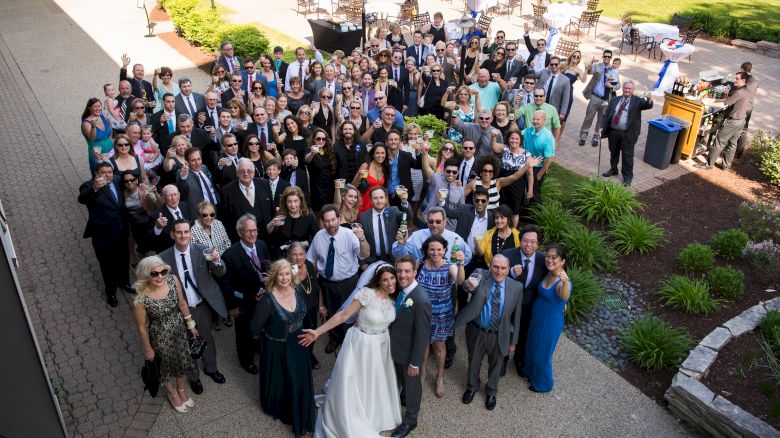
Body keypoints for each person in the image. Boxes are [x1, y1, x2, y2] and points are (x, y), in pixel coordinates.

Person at [299, 264, 403, 437]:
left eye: (392, 278)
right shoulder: (366, 294)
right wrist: (317, 332)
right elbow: (343, 315)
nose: (390, 282)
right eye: (385, 279)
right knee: (357, 379)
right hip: (361, 344)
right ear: (378, 281)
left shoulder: (396, 299)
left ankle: (374, 412)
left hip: (382, 345)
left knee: (376, 380)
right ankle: (352, 413)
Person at [159, 220, 228, 394]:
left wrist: (217, 261)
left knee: (206, 339)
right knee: (186, 344)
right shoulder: (163, 258)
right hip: (179, 309)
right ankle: (194, 377)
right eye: (179, 232)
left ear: (190, 233)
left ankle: (211, 368)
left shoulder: (202, 249)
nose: (183, 236)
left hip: (200, 305)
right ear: (172, 235)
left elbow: (220, 272)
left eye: (186, 232)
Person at [251, 259, 315, 437]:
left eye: (287, 273)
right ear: (274, 276)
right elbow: (255, 328)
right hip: (278, 347)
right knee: (284, 379)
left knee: (298, 378)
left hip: (300, 343)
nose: (285, 277)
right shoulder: (267, 300)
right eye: (281, 274)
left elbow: (305, 314)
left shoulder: (297, 290)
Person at [455, 254, 523, 410]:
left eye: (503, 268)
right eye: (495, 267)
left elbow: (517, 317)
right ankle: (472, 387)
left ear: (508, 269)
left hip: (500, 334)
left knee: (497, 365)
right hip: (477, 331)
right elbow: (468, 286)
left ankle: (491, 391)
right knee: (474, 361)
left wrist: (514, 342)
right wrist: (468, 285)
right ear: (490, 266)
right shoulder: (480, 274)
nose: (499, 271)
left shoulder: (516, 287)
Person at [131, 256, 197, 413]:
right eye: (154, 274)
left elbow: (182, 303)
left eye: (163, 272)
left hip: (179, 330)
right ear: (146, 274)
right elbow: (141, 327)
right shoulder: (140, 298)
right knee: (165, 367)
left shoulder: (173, 280)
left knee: (182, 360)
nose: (160, 276)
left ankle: (181, 390)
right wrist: (148, 349)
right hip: (160, 336)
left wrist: (191, 325)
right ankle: (172, 393)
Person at [307, 205, 370, 352]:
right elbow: (311, 260)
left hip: (349, 283)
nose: (331, 224)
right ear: (322, 221)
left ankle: (352, 341)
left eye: (333, 220)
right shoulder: (318, 237)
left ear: (339, 218)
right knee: (331, 313)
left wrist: (362, 239)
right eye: (327, 221)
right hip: (327, 284)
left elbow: (365, 254)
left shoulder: (349, 235)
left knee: (352, 313)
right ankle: (334, 339)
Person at [388, 256, 432, 438]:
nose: (402, 275)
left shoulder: (420, 300)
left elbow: (422, 336)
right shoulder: (402, 292)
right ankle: (405, 396)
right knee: (404, 383)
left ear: (415, 272)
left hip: (409, 355)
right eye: (399, 271)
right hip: (398, 348)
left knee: (412, 386)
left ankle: (411, 419)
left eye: (407, 271)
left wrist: (415, 363)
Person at [417, 235, 465, 398]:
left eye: (439, 249)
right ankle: (422, 372)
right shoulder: (421, 264)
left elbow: (460, 281)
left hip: (442, 315)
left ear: (444, 250)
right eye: (432, 249)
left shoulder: (449, 267)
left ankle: (440, 376)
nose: (435, 252)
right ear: (427, 250)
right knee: (423, 345)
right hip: (423, 314)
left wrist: (460, 264)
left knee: (439, 347)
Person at [222, 214, 270, 374]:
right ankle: (246, 360)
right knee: (243, 333)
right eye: (249, 231)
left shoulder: (262, 245)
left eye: (255, 230)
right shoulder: (229, 255)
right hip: (243, 302)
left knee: (260, 327)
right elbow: (227, 286)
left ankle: (257, 347)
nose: (253, 234)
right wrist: (233, 307)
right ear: (240, 232)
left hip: (263, 298)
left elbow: (267, 269)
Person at [78, 163, 131, 307]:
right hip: (102, 234)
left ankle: (124, 282)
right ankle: (111, 292)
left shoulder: (118, 180)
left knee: (123, 257)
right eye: (103, 172)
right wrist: (95, 188)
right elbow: (82, 199)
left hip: (121, 229)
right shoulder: (89, 186)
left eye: (110, 172)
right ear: (96, 173)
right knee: (107, 264)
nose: (107, 174)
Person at [500, 224, 547, 376]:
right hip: (510, 304)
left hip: (529, 306)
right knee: (506, 331)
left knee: (524, 333)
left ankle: (519, 359)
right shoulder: (507, 254)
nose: (528, 245)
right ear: (520, 241)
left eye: (533, 241)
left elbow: (552, 279)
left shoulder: (543, 260)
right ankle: (503, 359)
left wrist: (564, 299)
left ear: (537, 244)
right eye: (525, 240)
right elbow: (496, 276)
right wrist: (511, 274)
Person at [525, 244, 571, 393]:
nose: (550, 260)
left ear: (562, 261)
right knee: (532, 346)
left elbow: (564, 297)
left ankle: (544, 384)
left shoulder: (563, 282)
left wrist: (565, 283)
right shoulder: (549, 272)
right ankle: (532, 373)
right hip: (538, 315)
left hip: (550, 322)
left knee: (542, 353)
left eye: (554, 258)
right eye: (548, 256)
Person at [599, 80, 654, 186]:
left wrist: (649, 98)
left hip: (628, 133)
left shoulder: (637, 101)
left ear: (633, 90)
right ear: (622, 89)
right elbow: (607, 115)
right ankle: (614, 169)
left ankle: (627, 176)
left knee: (627, 155)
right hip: (613, 132)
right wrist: (602, 127)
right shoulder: (615, 100)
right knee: (613, 152)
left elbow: (648, 105)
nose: (627, 90)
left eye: (629, 88)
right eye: (625, 88)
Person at [696, 71, 751, 171]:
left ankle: (709, 165)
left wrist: (708, 103)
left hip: (732, 122)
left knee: (719, 142)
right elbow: (730, 100)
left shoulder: (739, 92)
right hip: (741, 121)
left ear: (743, 80)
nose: (735, 80)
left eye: (737, 79)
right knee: (732, 143)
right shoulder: (747, 90)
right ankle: (726, 165)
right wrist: (714, 100)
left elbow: (724, 105)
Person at [219, 158, 274, 242]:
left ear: (254, 172)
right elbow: (226, 221)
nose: (246, 174)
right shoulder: (226, 191)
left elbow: (272, 210)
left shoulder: (264, 184)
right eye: (242, 171)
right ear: (237, 173)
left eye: (249, 171)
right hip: (242, 241)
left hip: (267, 239)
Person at [288, 242, 324, 370]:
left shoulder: (308, 265)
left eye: (301, 254)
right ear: (289, 256)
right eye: (294, 255)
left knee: (311, 334)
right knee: (298, 338)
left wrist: (320, 306)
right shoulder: (288, 273)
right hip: (296, 314)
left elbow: (317, 287)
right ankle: (300, 359)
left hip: (312, 310)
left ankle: (309, 355)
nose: (298, 258)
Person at [464, 154, 539, 210]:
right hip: (477, 216)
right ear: (480, 172)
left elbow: (514, 177)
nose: (487, 173)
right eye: (485, 170)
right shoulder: (473, 183)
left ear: (494, 173)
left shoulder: (498, 183)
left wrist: (528, 165)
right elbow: (461, 197)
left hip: (493, 218)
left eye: (490, 171)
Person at [358, 186, 412, 265]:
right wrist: (362, 263)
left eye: (381, 197)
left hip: (393, 259)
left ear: (386, 199)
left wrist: (404, 201)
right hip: (372, 261)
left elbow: (408, 216)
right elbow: (359, 240)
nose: (379, 201)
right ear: (370, 200)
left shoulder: (393, 211)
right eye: (375, 198)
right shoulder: (363, 217)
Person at [492, 129, 535, 224]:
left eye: (517, 139)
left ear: (520, 140)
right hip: (503, 182)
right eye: (512, 138)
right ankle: (500, 225)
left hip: (517, 185)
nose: (514, 141)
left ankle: (514, 231)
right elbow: (494, 146)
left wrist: (530, 190)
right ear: (508, 139)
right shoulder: (505, 148)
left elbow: (530, 174)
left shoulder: (526, 154)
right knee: (500, 206)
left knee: (515, 209)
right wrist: (494, 137)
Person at [268, 186, 318, 257]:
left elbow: (317, 239)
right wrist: (272, 224)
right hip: (282, 254)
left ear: (301, 201)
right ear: (285, 202)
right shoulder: (281, 213)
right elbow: (270, 232)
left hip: (300, 254)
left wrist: (297, 245)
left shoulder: (308, 216)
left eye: (296, 201)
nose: (292, 205)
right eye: (289, 201)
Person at [579, 50, 616, 147]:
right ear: (603, 57)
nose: (607, 58)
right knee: (588, 118)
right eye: (605, 56)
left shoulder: (613, 69)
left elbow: (619, 85)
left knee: (601, 120)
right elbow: (590, 70)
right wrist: (591, 63)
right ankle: (583, 136)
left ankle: (596, 136)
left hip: (606, 99)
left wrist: (611, 86)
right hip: (595, 96)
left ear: (611, 58)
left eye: (609, 57)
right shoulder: (598, 66)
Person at [523, 111, 556, 202]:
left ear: (544, 121)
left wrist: (541, 173)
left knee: (534, 191)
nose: (535, 121)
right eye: (534, 119)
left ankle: (535, 211)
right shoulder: (528, 130)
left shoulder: (548, 137)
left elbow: (548, 159)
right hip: (525, 164)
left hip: (537, 168)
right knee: (523, 187)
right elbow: (517, 134)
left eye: (538, 119)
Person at [149, 184, 192, 253]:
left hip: (191, 249)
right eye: (169, 195)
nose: (173, 198)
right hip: (171, 253)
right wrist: (158, 228)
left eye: (175, 194)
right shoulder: (156, 215)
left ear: (179, 195)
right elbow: (152, 243)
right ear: (163, 198)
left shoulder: (186, 206)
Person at [305, 128, 338, 212]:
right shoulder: (310, 150)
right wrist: (312, 153)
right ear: (314, 139)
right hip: (317, 189)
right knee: (319, 213)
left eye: (323, 139)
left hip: (329, 187)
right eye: (318, 138)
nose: (321, 141)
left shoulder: (329, 151)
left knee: (329, 211)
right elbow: (306, 160)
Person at [536, 56, 572, 129]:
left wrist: (562, 113)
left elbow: (566, 98)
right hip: (540, 105)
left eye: (556, 64)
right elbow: (534, 74)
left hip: (553, 108)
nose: (554, 66)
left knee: (549, 129)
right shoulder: (544, 72)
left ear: (559, 65)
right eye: (552, 64)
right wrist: (529, 65)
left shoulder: (565, 80)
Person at [82, 98, 114, 175]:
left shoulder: (104, 117)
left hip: (110, 150)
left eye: (99, 106)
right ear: (90, 108)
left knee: (112, 172)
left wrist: (111, 140)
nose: (98, 108)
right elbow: (92, 137)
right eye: (95, 107)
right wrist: (93, 126)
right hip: (97, 153)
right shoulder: (86, 123)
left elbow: (110, 128)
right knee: (100, 175)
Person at [355, 143, 389, 213]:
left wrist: (387, 206)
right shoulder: (366, 166)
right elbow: (354, 185)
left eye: (383, 153)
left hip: (378, 202)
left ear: (386, 155)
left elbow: (385, 189)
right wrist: (359, 176)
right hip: (364, 201)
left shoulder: (385, 168)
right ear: (373, 154)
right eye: (377, 153)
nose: (380, 156)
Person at [735, 62, 758, 159]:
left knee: (737, 128)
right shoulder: (755, 81)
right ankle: (739, 152)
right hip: (750, 107)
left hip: (743, 107)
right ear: (751, 69)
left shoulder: (745, 80)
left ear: (742, 69)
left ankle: (734, 150)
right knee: (744, 130)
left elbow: (740, 91)